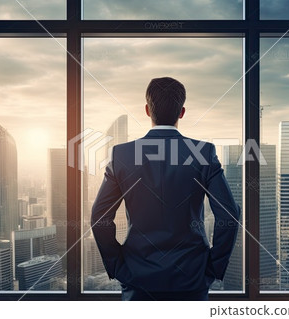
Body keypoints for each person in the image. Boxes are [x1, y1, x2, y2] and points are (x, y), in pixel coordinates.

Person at [91, 77, 240, 301]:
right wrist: (212, 269)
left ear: (147, 110)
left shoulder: (122, 155)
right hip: (191, 278)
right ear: (182, 112)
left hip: (137, 278)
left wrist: (118, 266)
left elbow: (99, 217)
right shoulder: (203, 153)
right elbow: (229, 214)